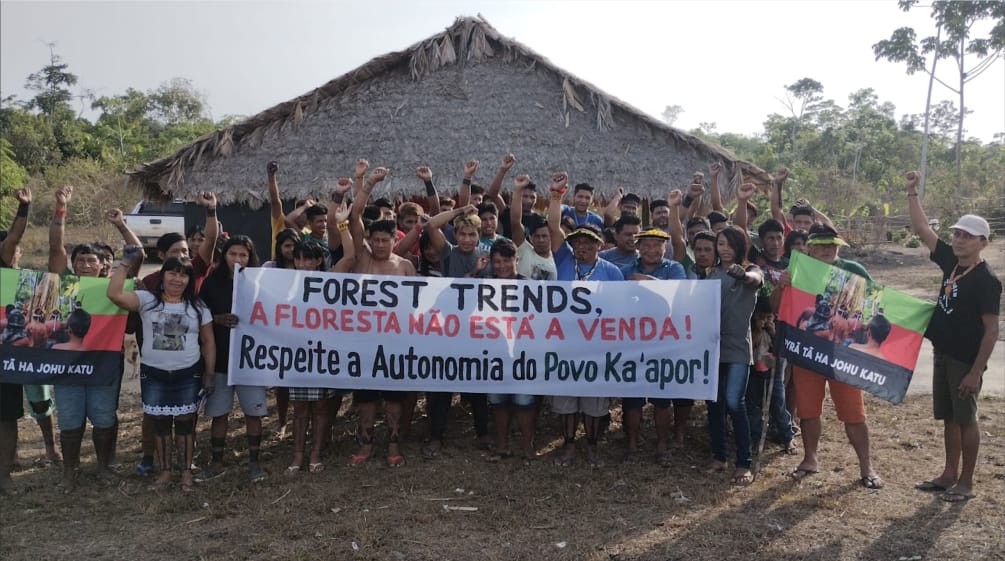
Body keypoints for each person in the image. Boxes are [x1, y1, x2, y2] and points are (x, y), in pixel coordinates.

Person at [905, 170, 1001, 503]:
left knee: (966, 418)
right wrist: (912, 192)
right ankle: (948, 474)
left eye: (967, 236)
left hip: (966, 358)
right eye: (957, 234)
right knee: (949, 417)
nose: (959, 240)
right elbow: (921, 229)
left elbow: (991, 329)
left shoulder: (987, 280)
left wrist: (975, 371)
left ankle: (967, 482)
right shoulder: (952, 263)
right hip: (943, 352)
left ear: (983, 243)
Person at [775, 223, 883, 489]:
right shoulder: (796, 270)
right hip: (808, 351)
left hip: (844, 353)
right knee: (808, 410)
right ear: (809, 247)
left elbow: (877, 305)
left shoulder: (854, 270)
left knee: (854, 413)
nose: (827, 249)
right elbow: (777, 309)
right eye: (821, 244)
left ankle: (866, 467)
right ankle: (810, 459)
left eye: (832, 244)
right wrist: (781, 285)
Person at [108, 253, 215, 493]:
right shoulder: (147, 300)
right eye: (172, 273)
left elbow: (208, 342)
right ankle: (165, 472)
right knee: (160, 425)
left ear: (189, 279)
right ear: (162, 275)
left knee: (186, 426)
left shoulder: (198, 308)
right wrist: (125, 262)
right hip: (154, 375)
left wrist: (208, 373)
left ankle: (186, 472)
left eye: (183, 274)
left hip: (187, 375)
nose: (177, 279)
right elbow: (114, 294)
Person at [548, 172, 624, 467]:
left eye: (589, 243)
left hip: (597, 348)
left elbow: (618, 312)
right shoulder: (565, 260)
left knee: (594, 404)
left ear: (599, 245)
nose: (582, 247)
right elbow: (554, 226)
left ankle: (591, 446)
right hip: (566, 345)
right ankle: (568, 445)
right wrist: (556, 196)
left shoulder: (611, 272)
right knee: (567, 402)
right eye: (578, 242)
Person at [349, 167, 416, 467]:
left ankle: (393, 445)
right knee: (365, 399)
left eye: (383, 240)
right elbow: (353, 218)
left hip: (395, 342)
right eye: (373, 239)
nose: (378, 244)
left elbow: (416, 306)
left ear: (393, 239)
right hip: (364, 340)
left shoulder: (404, 266)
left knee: (393, 401)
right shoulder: (362, 258)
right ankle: (364, 445)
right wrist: (369, 183)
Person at [196, 236, 269, 483]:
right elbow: (198, 316)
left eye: (243, 255)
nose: (237, 260)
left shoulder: (260, 284)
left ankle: (254, 462)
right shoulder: (211, 284)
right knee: (219, 413)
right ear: (224, 255)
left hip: (250, 361)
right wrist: (216, 319)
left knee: (253, 413)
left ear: (251, 258)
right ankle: (217, 461)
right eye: (233, 254)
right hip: (219, 360)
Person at [618, 227, 686, 466]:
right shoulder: (626, 270)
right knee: (633, 400)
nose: (651, 250)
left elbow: (682, 294)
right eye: (646, 245)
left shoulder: (674, 268)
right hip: (633, 343)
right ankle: (632, 446)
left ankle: (662, 446)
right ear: (638, 247)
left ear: (664, 248)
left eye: (657, 245)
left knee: (661, 400)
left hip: (664, 344)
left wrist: (645, 282)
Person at [705, 225, 762, 486]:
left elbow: (755, 281)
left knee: (733, 402)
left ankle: (744, 463)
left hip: (738, 349)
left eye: (729, 244)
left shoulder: (751, 270)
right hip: (713, 348)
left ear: (740, 246)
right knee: (714, 403)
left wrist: (742, 275)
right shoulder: (711, 274)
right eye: (720, 244)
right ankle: (719, 457)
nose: (724, 249)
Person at [0, 187, 32, 493]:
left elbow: (13, 237)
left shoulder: (5, 269)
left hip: (5, 356)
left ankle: (4, 476)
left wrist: (24, 208)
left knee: (7, 420)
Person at [510, 174, 557, 280]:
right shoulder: (524, 250)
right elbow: (515, 221)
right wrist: (518, 190)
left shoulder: (558, 258)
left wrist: (557, 194)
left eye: (544, 236)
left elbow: (555, 222)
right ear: (530, 238)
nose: (541, 240)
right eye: (537, 236)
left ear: (551, 237)